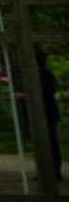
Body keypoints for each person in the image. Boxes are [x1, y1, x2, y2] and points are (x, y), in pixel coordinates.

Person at [37, 48, 63, 181]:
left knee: (52, 143)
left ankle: (56, 171)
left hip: (49, 113)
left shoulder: (47, 75)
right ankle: (45, 170)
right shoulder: (37, 75)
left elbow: (48, 92)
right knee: (41, 143)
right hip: (39, 114)